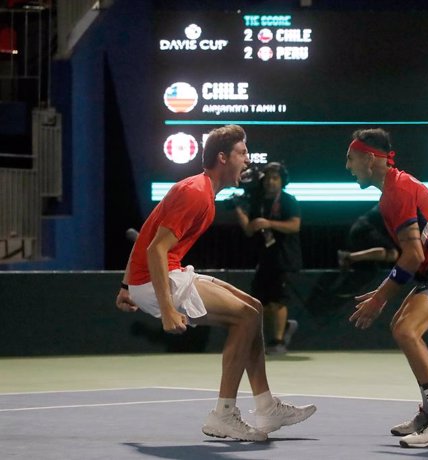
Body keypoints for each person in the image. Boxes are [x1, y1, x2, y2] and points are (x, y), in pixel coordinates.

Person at [115, 125, 316, 442]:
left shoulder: (201, 191)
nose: (247, 160)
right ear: (222, 157)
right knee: (245, 317)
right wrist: (167, 309)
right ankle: (223, 414)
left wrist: (127, 286)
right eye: (242, 153)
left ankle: (266, 405)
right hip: (159, 279)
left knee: (254, 307)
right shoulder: (196, 193)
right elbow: (156, 248)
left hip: (157, 276)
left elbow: (149, 230)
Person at [345, 128, 428, 449]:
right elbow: (411, 254)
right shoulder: (392, 191)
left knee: (407, 331)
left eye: (351, 159)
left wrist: (379, 299)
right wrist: (382, 292)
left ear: (369, 158)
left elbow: (413, 255)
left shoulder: (399, 191)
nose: (348, 166)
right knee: (401, 328)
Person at [233, 162, 302, 355]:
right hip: (265, 258)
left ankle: (279, 341)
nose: (270, 182)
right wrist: (240, 211)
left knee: (277, 301)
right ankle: (286, 326)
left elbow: (295, 226)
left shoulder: (288, 200)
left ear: (282, 181)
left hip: (284, 257)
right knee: (262, 301)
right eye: (268, 178)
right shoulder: (258, 202)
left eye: (275, 178)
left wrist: (269, 222)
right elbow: (249, 229)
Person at [337, 204, 399, 270]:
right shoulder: (396, 205)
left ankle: (350, 259)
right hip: (365, 229)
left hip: (360, 228)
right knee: (393, 253)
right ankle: (348, 257)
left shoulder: (389, 202)